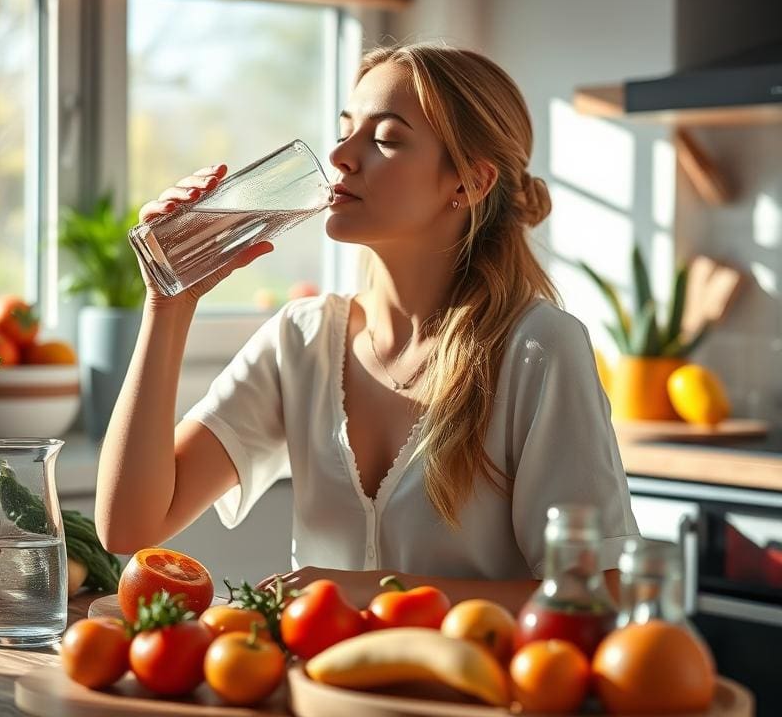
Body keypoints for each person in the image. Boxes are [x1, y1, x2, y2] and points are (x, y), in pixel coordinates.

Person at [95, 43, 639, 611]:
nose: (340, 154)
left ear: (470, 184)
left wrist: (366, 592)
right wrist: (168, 305)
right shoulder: (301, 341)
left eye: (385, 139)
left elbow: (599, 593)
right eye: (346, 129)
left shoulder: (539, 349)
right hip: (320, 696)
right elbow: (129, 526)